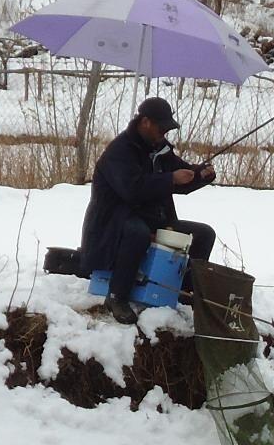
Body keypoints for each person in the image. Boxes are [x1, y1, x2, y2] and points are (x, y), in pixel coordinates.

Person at [80, 97, 216, 324]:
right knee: (137, 233)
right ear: (145, 122)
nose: (165, 133)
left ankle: (184, 290)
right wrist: (170, 178)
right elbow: (132, 190)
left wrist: (200, 175)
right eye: (161, 127)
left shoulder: (160, 149)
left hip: (151, 217)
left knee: (203, 234)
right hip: (113, 221)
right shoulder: (119, 151)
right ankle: (116, 297)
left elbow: (180, 178)